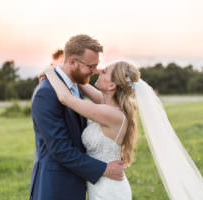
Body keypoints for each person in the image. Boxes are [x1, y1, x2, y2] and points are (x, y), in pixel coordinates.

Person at [29, 34, 126, 200]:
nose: (95, 71)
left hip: (78, 185)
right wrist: (104, 168)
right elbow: (60, 150)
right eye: (91, 66)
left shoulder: (74, 86)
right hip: (55, 187)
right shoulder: (46, 93)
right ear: (72, 61)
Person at [43, 61, 139, 200]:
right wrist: (69, 70)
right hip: (101, 184)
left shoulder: (111, 114)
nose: (98, 71)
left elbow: (65, 98)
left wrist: (49, 71)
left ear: (112, 86)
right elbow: (82, 83)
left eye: (104, 71)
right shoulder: (106, 103)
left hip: (109, 190)